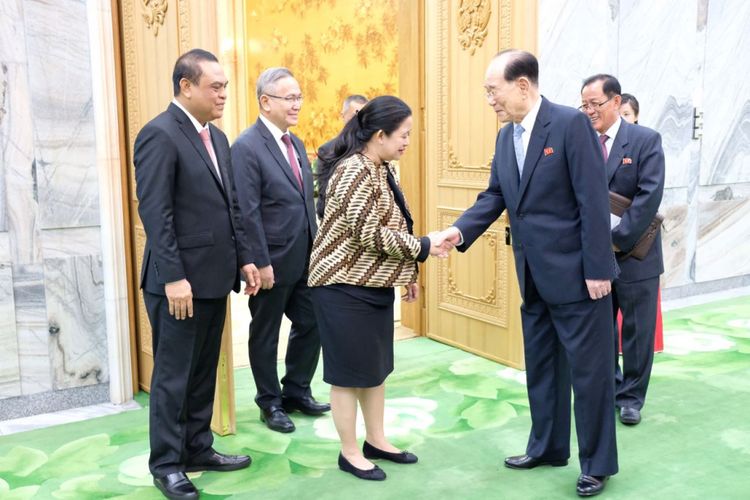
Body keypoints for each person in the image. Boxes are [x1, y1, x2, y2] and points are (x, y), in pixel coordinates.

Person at [434, 50, 618, 497]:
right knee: (542, 366)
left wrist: (598, 268)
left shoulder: (571, 125)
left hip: (578, 276)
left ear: (522, 85)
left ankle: (596, 464)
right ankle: (547, 447)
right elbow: (494, 196)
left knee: (589, 374)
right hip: (533, 275)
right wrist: (458, 232)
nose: (489, 100)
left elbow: (593, 201)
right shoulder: (506, 137)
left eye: (492, 90)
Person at [134, 48, 260, 500]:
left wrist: (245, 256)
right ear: (186, 86)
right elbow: (156, 212)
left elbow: (232, 209)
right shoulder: (159, 135)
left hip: (212, 278)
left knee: (204, 369)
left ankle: (197, 446)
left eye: (225, 86)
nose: (224, 94)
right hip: (178, 284)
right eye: (216, 86)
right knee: (173, 377)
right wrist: (172, 276)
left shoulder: (218, 139)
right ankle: (166, 464)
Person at [308, 96, 450, 481]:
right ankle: (349, 452)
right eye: (402, 135)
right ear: (379, 134)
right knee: (347, 374)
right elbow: (368, 233)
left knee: (375, 369)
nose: (406, 142)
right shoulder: (354, 170)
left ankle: (376, 440)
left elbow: (395, 224)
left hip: (370, 283)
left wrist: (407, 274)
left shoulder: (381, 167)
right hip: (341, 286)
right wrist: (424, 247)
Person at [231, 67, 330, 434]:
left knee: (312, 322)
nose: (297, 104)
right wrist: (258, 260)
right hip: (270, 261)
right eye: (289, 97)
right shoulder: (246, 146)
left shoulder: (296, 143)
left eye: (299, 96)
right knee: (266, 332)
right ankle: (269, 402)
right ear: (265, 101)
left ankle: (296, 391)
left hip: (306, 257)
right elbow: (246, 209)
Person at [581, 75, 665, 426]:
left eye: (595, 104)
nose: (588, 112)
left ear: (616, 102)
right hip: (593, 257)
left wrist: (616, 240)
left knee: (637, 331)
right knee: (600, 329)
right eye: (583, 105)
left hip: (635, 255)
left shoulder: (645, 140)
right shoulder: (581, 139)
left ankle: (631, 397)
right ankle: (611, 387)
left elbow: (649, 196)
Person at [315, 94, 369, 218]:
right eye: (354, 116)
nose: (358, 122)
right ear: (342, 116)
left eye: (364, 117)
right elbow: (324, 195)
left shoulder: (374, 148)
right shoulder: (328, 150)